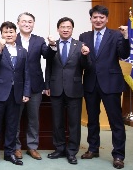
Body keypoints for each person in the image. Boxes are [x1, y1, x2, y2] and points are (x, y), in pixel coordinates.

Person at [78, 5, 129, 169]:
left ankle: (119, 155)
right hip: (91, 83)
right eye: (95, 17)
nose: (98, 20)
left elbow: (124, 54)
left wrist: (126, 37)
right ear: (91, 19)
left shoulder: (116, 35)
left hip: (111, 83)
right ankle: (93, 149)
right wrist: (84, 56)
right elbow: (83, 63)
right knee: (92, 120)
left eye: (101, 17)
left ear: (106, 19)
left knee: (116, 122)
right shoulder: (84, 36)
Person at [45, 17, 90, 165]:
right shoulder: (53, 45)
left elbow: (85, 66)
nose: (65, 29)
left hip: (74, 89)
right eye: (62, 27)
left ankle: (72, 152)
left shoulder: (80, 45)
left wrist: (85, 55)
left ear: (72, 29)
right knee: (57, 121)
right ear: (58, 29)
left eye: (68, 27)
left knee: (74, 123)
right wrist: (47, 86)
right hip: (56, 88)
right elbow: (48, 67)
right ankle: (59, 149)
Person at [0, 21, 30, 167]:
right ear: (2, 34)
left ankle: (9, 153)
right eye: (6, 32)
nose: (9, 34)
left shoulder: (22, 50)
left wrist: (26, 92)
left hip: (16, 94)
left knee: (12, 125)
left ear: (16, 34)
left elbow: (26, 73)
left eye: (11, 32)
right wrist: (0, 48)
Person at [14, 12, 56, 160]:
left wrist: (52, 45)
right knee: (15, 118)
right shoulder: (12, 38)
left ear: (33, 24)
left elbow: (48, 55)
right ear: (18, 23)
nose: (27, 24)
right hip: (17, 85)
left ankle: (32, 147)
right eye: (24, 21)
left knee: (33, 118)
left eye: (30, 21)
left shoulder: (39, 40)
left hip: (35, 85)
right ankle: (16, 147)